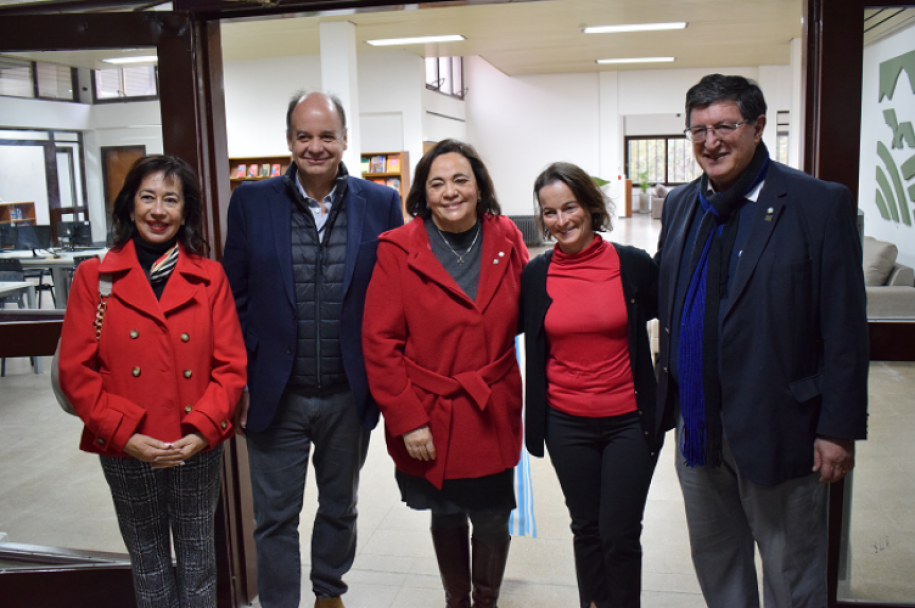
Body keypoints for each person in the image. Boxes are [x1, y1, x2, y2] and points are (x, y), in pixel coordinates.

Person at [655, 74, 869, 607]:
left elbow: (844, 326)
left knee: (791, 575)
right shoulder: (682, 205)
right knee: (719, 569)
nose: (711, 141)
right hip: (699, 430)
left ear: (756, 126)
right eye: (698, 130)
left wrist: (837, 428)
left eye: (725, 126)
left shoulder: (817, 203)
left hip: (782, 427)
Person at [222, 91, 404, 608]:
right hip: (274, 394)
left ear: (346, 140)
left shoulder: (381, 203)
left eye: (327, 136)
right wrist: (241, 383)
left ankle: (329, 592)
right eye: (305, 136)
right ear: (289, 141)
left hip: (348, 391)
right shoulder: (252, 202)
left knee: (340, 505)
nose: (316, 146)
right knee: (275, 515)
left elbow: (395, 298)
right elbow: (232, 299)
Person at [58, 155, 247, 608]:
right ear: (129, 206)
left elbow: (231, 365)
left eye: (171, 200)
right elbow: (75, 371)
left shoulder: (209, 277)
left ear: (185, 212)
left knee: (200, 560)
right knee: (148, 561)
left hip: (194, 444)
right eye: (148, 197)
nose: (158, 210)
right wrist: (126, 435)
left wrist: (201, 429)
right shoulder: (95, 277)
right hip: (125, 443)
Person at [362, 139, 528, 608]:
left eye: (460, 180)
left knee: (495, 514)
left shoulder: (507, 237)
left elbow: (533, 308)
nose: (450, 191)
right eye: (437, 183)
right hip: (430, 410)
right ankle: (458, 601)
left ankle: (486, 602)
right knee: (447, 510)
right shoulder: (398, 248)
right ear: (423, 193)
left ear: (479, 187)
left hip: (491, 405)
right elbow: (380, 342)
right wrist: (407, 418)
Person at [521, 162, 661, 608]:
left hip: (628, 421)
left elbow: (672, 319)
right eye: (549, 212)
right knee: (585, 528)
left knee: (619, 533)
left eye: (570, 207)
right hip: (566, 423)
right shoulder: (536, 275)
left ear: (591, 206)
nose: (561, 221)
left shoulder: (632, 265)